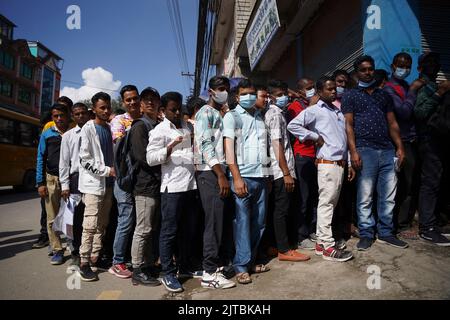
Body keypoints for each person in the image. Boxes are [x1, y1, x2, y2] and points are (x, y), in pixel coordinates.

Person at [342, 55, 408, 251]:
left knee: (388, 195)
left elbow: (392, 122)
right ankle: (366, 233)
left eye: (370, 69)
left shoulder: (383, 95)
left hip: (387, 150)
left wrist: (400, 147)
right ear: (356, 72)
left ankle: (386, 233)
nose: (368, 72)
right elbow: (348, 125)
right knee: (365, 195)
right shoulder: (351, 95)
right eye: (363, 70)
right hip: (365, 149)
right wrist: (353, 151)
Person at [288, 76, 354, 262]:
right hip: (327, 164)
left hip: (339, 164)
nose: (334, 91)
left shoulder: (337, 111)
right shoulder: (315, 110)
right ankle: (327, 246)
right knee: (326, 204)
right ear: (319, 92)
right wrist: (313, 136)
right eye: (329, 89)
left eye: (335, 88)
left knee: (329, 204)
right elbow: (293, 125)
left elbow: (343, 140)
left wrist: (348, 162)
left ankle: (320, 244)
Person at [146, 92, 198, 293]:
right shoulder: (159, 130)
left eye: (179, 109)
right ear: (163, 111)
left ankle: (185, 266)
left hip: (190, 187)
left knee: (188, 229)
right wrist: (170, 147)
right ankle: (168, 272)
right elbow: (150, 158)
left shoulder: (186, 126)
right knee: (169, 232)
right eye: (172, 109)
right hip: (172, 189)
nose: (177, 113)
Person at [223, 79, 270, 285]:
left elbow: (264, 148)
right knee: (242, 223)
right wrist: (237, 177)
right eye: (245, 94)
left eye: (252, 93)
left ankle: (250, 261)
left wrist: (267, 175)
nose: (249, 97)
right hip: (242, 177)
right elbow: (228, 149)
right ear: (237, 97)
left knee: (259, 222)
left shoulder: (260, 117)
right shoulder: (231, 117)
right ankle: (241, 266)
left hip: (261, 176)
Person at [194, 76, 236, 289]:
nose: (224, 92)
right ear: (210, 91)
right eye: (220, 89)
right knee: (214, 223)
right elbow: (204, 144)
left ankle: (216, 266)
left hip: (219, 171)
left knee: (220, 222)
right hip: (210, 172)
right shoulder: (205, 113)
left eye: (226, 89)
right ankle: (209, 273)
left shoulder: (219, 114)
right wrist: (220, 174)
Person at [266, 79, 310, 262]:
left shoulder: (275, 113)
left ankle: (275, 245)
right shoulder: (275, 115)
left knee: (278, 209)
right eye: (279, 95)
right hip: (281, 170)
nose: (284, 97)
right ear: (271, 97)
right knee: (281, 210)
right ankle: (284, 250)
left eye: (285, 93)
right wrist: (286, 173)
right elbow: (277, 145)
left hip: (280, 169)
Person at [384, 52, 426, 239]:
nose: (404, 69)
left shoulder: (404, 86)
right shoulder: (389, 89)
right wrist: (413, 91)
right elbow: (403, 112)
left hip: (411, 140)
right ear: (393, 66)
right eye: (400, 65)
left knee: (410, 183)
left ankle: (404, 221)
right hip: (399, 142)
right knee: (402, 185)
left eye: (407, 66)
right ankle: (399, 224)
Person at [78, 92, 116, 281]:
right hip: (94, 185)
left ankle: (95, 257)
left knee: (102, 224)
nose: (106, 110)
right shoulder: (88, 129)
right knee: (90, 225)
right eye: (102, 107)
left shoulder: (109, 128)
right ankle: (83, 262)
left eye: (108, 106)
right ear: (94, 109)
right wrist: (107, 171)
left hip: (109, 185)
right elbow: (84, 160)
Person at [127, 87, 162, 286]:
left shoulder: (156, 124)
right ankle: (137, 269)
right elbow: (142, 158)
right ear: (140, 104)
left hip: (156, 185)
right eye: (146, 100)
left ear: (158, 104)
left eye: (153, 100)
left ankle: (147, 265)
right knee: (143, 228)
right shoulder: (140, 126)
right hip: (144, 185)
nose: (150, 103)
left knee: (151, 228)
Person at [414, 52, 450, 246]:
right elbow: (419, 112)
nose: (433, 65)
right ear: (420, 67)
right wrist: (439, 93)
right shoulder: (422, 86)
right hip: (429, 141)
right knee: (430, 183)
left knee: (440, 182)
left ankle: (437, 222)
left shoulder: (439, 84)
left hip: (442, 140)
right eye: (429, 62)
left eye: (436, 62)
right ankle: (426, 227)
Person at [109, 85, 141, 279]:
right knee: (126, 220)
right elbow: (120, 148)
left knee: (140, 222)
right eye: (128, 100)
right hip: (124, 180)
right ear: (123, 102)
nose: (132, 102)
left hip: (142, 181)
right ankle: (117, 262)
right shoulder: (119, 121)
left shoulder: (145, 118)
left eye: (135, 98)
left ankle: (132, 258)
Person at [36, 104, 70, 264]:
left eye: (62, 115)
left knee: (71, 217)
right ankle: (57, 249)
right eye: (55, 116)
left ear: (67, 115)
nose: (59, 119)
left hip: (71, 180)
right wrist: (40, 183)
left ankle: (74, 247)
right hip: (51, 179)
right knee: (52, 218)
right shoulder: (47, 134)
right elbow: (40, 158)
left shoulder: (74, 132)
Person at [59, 103, 91, 269]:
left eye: (83, 113)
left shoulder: (96, 131)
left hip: (93, 179)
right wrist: (65, 185)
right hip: (75, 180)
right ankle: (76, 251)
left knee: (91, 217)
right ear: (73, 116)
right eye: (77, 114)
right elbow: (64, 162)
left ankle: (91, 252)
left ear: (88, 114)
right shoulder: (68, 136)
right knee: (75, 219)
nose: (80, 116)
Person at [287, 77, 318, 250]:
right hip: (302, 155)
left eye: (313, 87)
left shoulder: (310, 105)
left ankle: (312, 229)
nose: (312, 90)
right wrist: (313, 106)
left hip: (315, 155)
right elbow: (301, 126)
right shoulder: (295, 107)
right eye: (308, 88)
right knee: (303, 198)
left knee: (314, 196)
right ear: (300, 92)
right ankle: (301, 235)